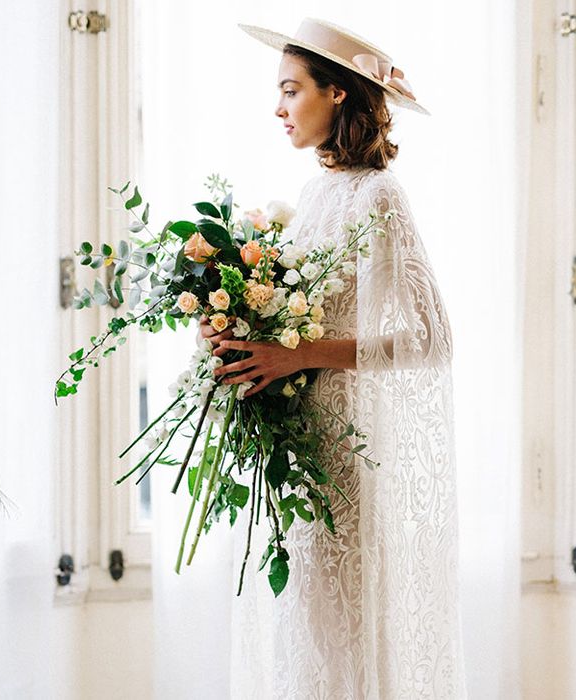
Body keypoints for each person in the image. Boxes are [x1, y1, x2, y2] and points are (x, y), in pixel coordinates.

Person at [197, 17, 467, 699]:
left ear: (337, 94)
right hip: (293, 450)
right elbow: (289, 317)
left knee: (337, 637)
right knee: (303, 638)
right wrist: (232, 330)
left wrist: (299, 355)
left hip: (340, 459)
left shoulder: (379, 195)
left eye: (292, 90)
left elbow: (430, 339)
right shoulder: (317, 192)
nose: (279, 107)